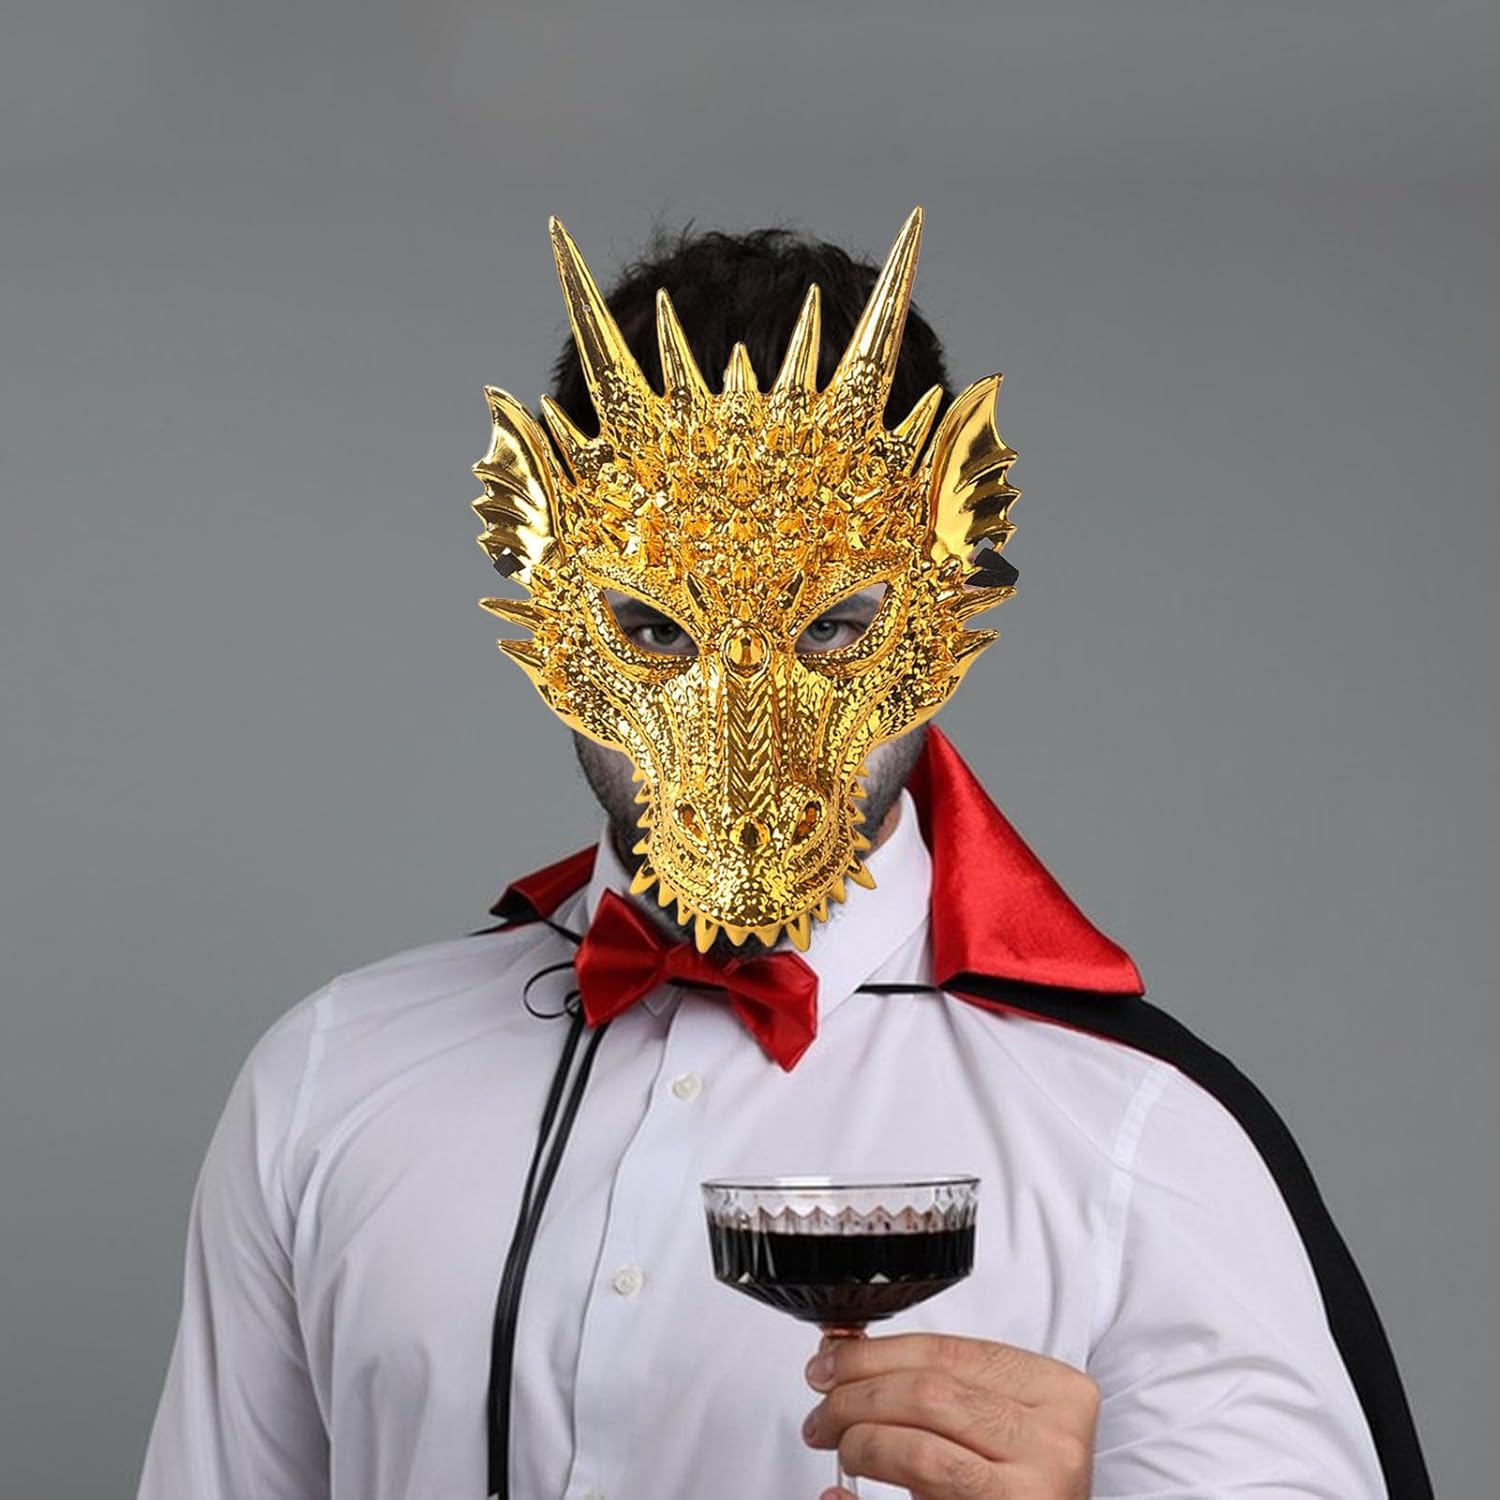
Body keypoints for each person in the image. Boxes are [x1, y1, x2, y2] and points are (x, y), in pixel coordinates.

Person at [137, 209, 1431, 1500]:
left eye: (833, 630)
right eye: (655, 629)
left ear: (955, 569)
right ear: (532, 554)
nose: (745, 743)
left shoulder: (1151, 1141)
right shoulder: (329, 1083)